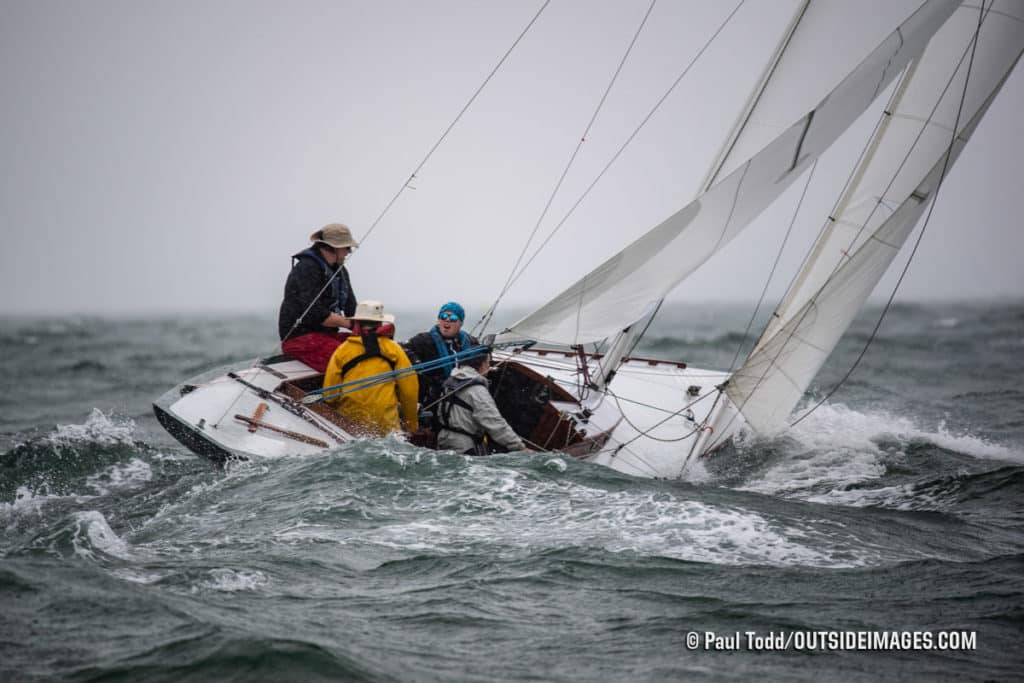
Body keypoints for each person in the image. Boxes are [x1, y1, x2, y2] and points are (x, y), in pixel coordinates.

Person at [322, 300, 419, 437]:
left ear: (357, 323)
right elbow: (409, 392)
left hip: (350, 425)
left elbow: (329, 395)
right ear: (380, 323)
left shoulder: (342, 351)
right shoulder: (393, 349)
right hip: (386, 427)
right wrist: (412, 425)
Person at [278, 223, 359, 372]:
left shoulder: (341, 271)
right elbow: (317, 315)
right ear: (333, 247)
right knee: (350, 359)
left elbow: (352, 309)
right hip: (300, 339)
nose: (349, 251)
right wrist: (351, 324)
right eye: (346, 247)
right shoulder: (306, 268)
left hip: (327, 336)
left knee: (368, 349)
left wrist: (369, 328)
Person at [436, 348, 526, 455]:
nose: (489, 366)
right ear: (482, 365)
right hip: (465, 447)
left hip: (443, 440)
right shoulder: (477, 391)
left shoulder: (451, 381)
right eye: (488, 362)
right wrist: (520, 447)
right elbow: (495, 423)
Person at [402, 301, 478, 406]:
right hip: (432, 400)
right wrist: (416, 362)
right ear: (438, 320)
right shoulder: (423, 340)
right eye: (443, 316)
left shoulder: (470, 342)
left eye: (453, 318)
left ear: (460, 323)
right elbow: (401, 349)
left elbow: (482, 359)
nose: (447, 319)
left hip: (463, 396)